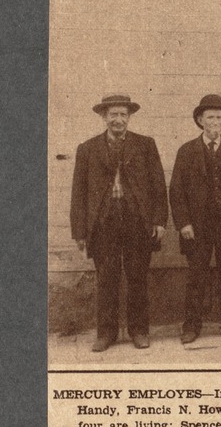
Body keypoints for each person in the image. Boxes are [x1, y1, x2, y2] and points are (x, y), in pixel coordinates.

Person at [70, 94, 167, 351]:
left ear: (129, 117)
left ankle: (139, 331)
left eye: (123, 114)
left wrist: (159, 220)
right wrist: (80, 231)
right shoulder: (87, 149)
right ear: (104, 117)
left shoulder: (145, 145)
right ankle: (106, 333)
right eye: (113, 114)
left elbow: (158, 186)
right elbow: (78, 193)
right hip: (103, 224)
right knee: (107, 278)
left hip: (137, 221)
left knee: (137, 277)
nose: (118, 119)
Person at [169, 94, 221, 343]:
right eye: (210, 117)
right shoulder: (186, 151)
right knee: (197, 275)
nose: (215, 121)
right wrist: (183, 222)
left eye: (220, 117)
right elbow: (176, 191)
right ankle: (192, 326)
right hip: (198, 226)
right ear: (200, 120)